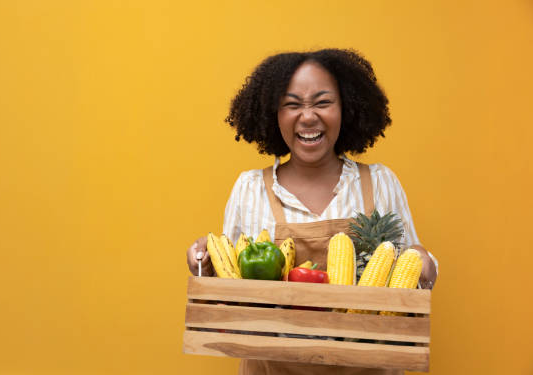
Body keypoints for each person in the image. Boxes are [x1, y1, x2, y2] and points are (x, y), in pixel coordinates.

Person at [185, 49, 438, 375]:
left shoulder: (379, 182)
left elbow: (414, 277)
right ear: (272, 114)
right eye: (292, 104)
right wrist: (201, 262)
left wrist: (425, 263)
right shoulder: (248, 189)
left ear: (346, 108)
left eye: (322, 102)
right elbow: (231, 287)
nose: (308, 116)